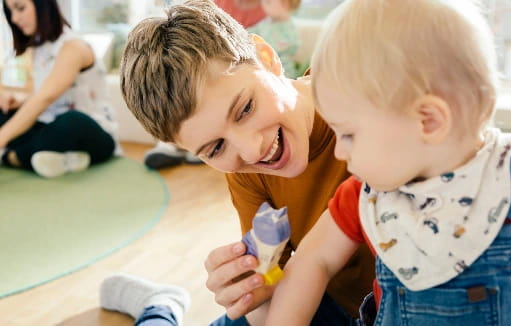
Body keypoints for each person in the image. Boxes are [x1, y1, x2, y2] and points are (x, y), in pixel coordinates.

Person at [101, 0, 374, 325]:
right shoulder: (248, 174)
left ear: (268, 59)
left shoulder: (369, 95)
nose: (253, 150)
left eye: (245, 108)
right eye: (215, 148)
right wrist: (249, 290)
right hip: (328, 308)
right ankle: (159, 309)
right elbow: (274, 297)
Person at [266, 0, 511, 325]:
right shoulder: (365, 196)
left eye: (349, 135)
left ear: (427, 121)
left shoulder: (508, 181)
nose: (340, 153)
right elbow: (313, 261)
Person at [143, 0, 266, 170]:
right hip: (204, 60)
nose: (251, 153)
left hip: (235, 63)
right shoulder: (219, 3)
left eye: (246, 109)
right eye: (216, 147)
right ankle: (180, 147)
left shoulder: (266, 9)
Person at [0, 0, 116, 178]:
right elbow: (43, 96)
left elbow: (44, 99)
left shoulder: (73, 47)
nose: (14, 18)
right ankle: (53, 157)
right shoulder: (40, 48)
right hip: (49, 124)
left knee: (71, 121)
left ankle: (11, 156)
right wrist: (19, 102)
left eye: (20, 8)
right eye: (10, 12)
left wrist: (2, 137)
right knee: (4, 112)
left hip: (91, 133)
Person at [248, 0, 301, 78]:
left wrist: (261, 48)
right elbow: (252, 31)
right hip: (263, 65)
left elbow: (293, 45)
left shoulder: (289, 27)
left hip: (282, 71)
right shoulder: (266, 22)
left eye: (268, 2)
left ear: (285, 5)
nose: (263, 5)